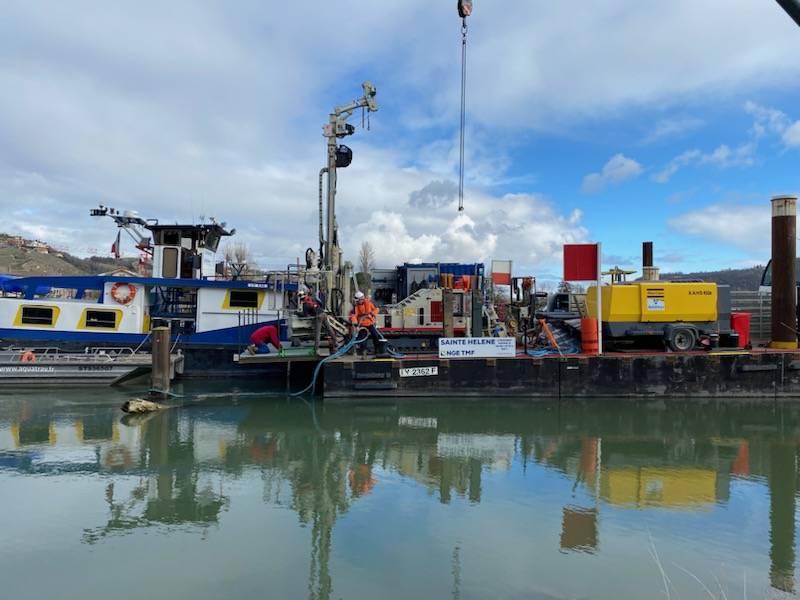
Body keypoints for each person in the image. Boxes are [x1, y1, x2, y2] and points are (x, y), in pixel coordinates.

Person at [349, 291, 382, 356]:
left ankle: (377, 350)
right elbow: (353, 315)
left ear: (361, 299)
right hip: (362, 325)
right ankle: (363, 352)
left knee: (375, 335)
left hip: (370, 323)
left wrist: (373, 314)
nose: (357, 302)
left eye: (358, 300)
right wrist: (355, 323)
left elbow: (376, 309)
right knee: (363, 339)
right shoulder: (356, 307)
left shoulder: (369, 304)